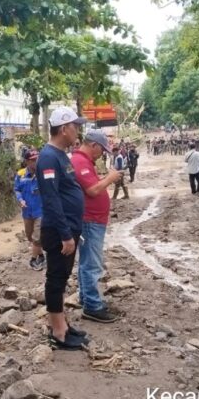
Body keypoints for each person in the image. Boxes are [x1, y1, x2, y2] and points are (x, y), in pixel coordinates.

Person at [36, 106, 90, 350]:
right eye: (75, 126)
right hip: (59, 231)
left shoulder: (60, 155)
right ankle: (58, 332)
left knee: (63, 276)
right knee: (56, 278)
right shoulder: (48, 157)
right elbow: (51, 199)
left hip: (68, 228)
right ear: (64, 128)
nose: (78, 130)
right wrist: (66, 235)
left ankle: (63, 325)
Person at [72, 130, 123, 323]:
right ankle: (92, 306)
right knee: (92, 264)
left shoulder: (84, 161)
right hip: (90, 221)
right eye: (102, 150)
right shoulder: (80, 162)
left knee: (87, 262)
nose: (102, 154)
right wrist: (110, 178)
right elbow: (93, 190)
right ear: (94, 145)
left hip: (92, 220)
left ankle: (86, 298)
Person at [14, 149, 45, 270]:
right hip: (27, 212)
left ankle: (33, 259)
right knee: (29, 236)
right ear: (27, 161)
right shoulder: (20, 174)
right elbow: (17, 189)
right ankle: (41, 255)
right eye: (33, 160)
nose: (36, 162)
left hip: (40, 210)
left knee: (37, 236)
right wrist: (20, 199)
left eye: (37, 159)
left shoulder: (43, 173)